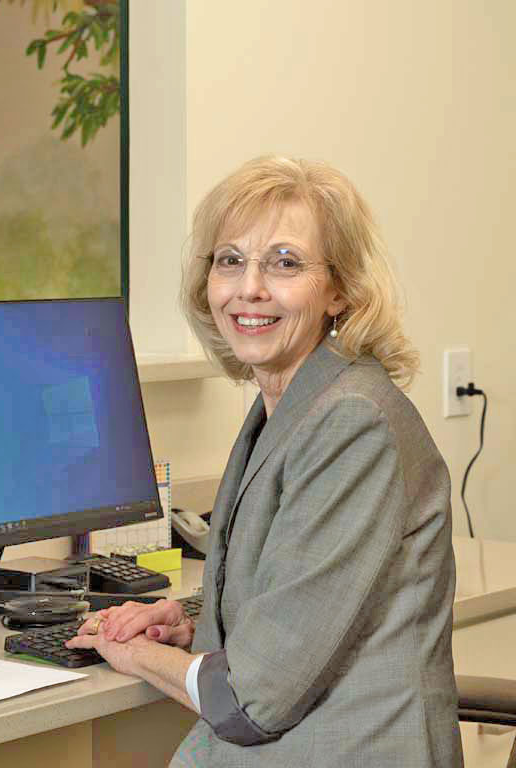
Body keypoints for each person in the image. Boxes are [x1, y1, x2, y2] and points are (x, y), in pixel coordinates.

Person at [67, 156, 463, 767]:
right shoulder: (290, 403)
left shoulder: (351, 421)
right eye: (230, 260)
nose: (249, 288)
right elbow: (300, 591)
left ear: (339, 291)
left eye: (284, 263)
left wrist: (132, 651)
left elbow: (255, 697)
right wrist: (190, 622)